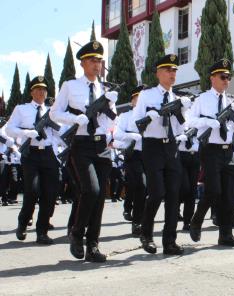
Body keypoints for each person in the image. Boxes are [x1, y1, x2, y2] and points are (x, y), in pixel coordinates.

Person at [51, 41, 118, 262]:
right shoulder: (70, 86)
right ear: (82, 63)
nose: (96, 64)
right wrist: (74, 118)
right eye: (92, 60)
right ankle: (77, 234)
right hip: (81, 144)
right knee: (90, 190)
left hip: (101, 147)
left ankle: (93, 245)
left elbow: (112, 119)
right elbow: (54, 114)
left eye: (99, 60)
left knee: (100, 198)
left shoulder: (106, 89)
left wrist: (110, 109)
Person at [130, 54, 191, 255]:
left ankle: (169, 241)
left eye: (174, 70)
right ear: (158, 73)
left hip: (171, 147)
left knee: (174, 195)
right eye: (167, 70)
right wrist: (149, 116)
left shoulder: (177, 98)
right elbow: (135, 123)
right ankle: (146, 233)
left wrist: (181, 110)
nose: (172, 74)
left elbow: (184, 126)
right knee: (157, 192)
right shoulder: (147, 96)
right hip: (153, 146)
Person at [187, 59, 234, 247]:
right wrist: (207, 121)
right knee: (213, 191)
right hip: (210, 150)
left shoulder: (232, 101)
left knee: (229, 195)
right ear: (212, 78)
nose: (226, 80)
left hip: (229, 151)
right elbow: (190, 121)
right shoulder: (202, 99)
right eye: (222, 77)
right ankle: (197, 219)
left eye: (228, 77)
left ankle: (225, 235)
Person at [5, 76, 60, 245]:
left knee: (49, 194)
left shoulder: (51, 111)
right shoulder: (22, 109)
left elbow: (59, 133)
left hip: (49, 153)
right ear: (31, 92)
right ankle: (23, 222)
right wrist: (27, 133)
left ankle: (41, 232)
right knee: (33, 191)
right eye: (37, 89)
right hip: (31, 155)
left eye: (44, 89)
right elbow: (9, 129)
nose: (41, 92)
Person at [113, 85, 146, 236]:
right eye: (137, 99)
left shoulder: (151, 115)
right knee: (139, 185)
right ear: (132, 101)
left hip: (150, 155)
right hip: (133, 156)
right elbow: (117, 135)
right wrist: (131, 136)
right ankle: (137, 222)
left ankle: (142, 218)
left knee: (147, 188)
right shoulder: (126, 116)